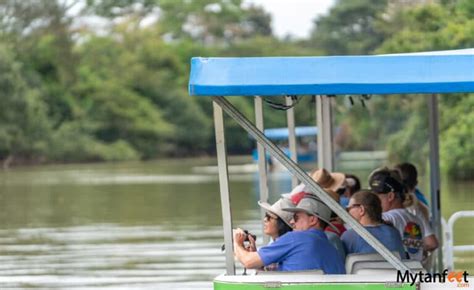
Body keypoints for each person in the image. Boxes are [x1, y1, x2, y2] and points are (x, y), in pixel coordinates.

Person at [233, 195, 346, 273]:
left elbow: (248, 261)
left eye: (296, 217)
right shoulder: (333, 250)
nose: (292, 222)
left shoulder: (295, 238)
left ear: (313, 220)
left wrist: (237, 243)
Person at [369, 167, 438, 261]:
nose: (372, 201)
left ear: (390, 196)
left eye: (375, 197)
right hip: (415, 272)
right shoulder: (416, 220)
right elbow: (430, 244)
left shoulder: (387, 218)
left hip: (397, 273)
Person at [341, 190, 406, 258]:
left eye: (349, 208)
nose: (348, 212)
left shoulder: (349, 236)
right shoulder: (394, 232)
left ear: (361, 210)